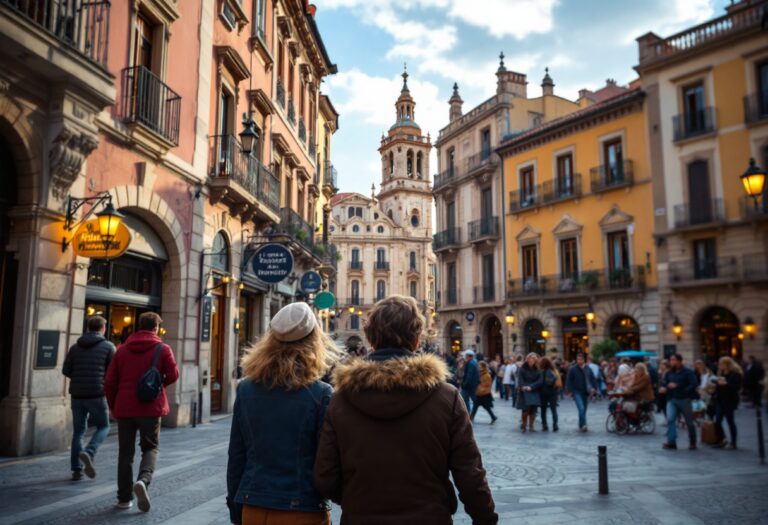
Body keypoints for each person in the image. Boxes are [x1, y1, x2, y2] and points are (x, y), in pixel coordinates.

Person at [314, 295, 498, 524]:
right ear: (416, 340)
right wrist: (486, 518)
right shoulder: (446, 397)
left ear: (371, 339)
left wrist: (358, 498)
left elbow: (326, 476)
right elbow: (470, 473)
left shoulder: (341, 400)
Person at [227, 302, 339, 525]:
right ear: (314, 342)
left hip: (253, 507)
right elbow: (326, 464)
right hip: (303, 511)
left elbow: (236, 457)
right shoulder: (322, 394)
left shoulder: (246, 389)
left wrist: (236, 507)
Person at [104, 312, 179, 512]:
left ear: (139, 326)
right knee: (150, 448)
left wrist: (113, 406)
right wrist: (158, 385)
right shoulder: (163, 349)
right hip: (150, 407)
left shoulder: (122, 350)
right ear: (155, 328)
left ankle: (124, 499)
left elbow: (109, 382)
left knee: (125, 454)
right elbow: (174, 374)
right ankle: (143, 481)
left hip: (125, 408)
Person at [62, 315, 116, 481]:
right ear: (102, 328)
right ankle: (90, 451)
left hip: (77, 395)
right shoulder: (108, 347)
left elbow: (66, 370)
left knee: (78, 432)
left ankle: (76, 470)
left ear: (88, 328)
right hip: (96, 394)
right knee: (104, 426)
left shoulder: (74, 347)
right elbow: (113, 373)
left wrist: (79, 378)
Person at [660, 353, 698, 450]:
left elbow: (693, 384)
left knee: (689, 421)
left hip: (684, 399)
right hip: (672, 398)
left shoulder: (688, 372)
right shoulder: (669, 373)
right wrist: (664, 387)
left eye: (674, 360)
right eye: (671, 360)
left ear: (679, 361)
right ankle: (671, 441)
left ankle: (692, 441)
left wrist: (679, 386)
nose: (672, 362)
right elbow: (664, 382)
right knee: (671, 419)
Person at [712, 356, 743, 449]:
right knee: (717, 421)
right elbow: (718, 386)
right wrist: (716, 383)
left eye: (721, 364)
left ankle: (733, 443)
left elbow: (736, 387)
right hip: (720, 400)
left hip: (729, 400)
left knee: (730, 421)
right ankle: (721, 439)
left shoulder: (735, 374)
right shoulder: (721, 373)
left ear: (727, 364)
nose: (719, 365)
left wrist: (726, 384)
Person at [566, 352, 596, 432]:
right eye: (577, 359)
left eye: (580, 359)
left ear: (584, 360)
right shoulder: (572, 369)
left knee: (584, 409)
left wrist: (594, 388)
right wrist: (569, 391)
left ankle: (580, 424)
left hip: (586, 391)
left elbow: (592, 379)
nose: (579, 361)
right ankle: (584, 425)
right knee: (581, 408)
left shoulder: (588, 368)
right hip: (576, 391)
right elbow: (569, 380)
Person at [516, 353, 542, 433]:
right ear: (527, 359)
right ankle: (524, 425)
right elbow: (520, 379)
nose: (531, 360)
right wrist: (523, 386)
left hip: (534, 390)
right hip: (524, 390)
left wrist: (532, 386)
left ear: (535, 360)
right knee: (525, 410)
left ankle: (531, 426)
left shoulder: (538, 369)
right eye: (530, 359)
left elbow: (540, 381)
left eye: (533, 359)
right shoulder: (522, 368)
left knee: (533, 409)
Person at [538, 357, 561, 432]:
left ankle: (544, 425)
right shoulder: (554, 371)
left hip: (543, 393)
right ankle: (555, 425)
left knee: (543, 410)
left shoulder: (541, 372)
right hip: (553, 393)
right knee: (553, 409)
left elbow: (540, 382)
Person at [461, 349, 480, 413]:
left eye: (466, 356)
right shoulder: (473, 362)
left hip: (469, 386)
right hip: (472, 385)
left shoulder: (471, 364)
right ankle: (468, 412)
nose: (465, 358)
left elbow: (469, 375)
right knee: (469, 399)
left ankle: (468, 412)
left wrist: (465, 384)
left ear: (469, 356)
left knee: (464, 399)